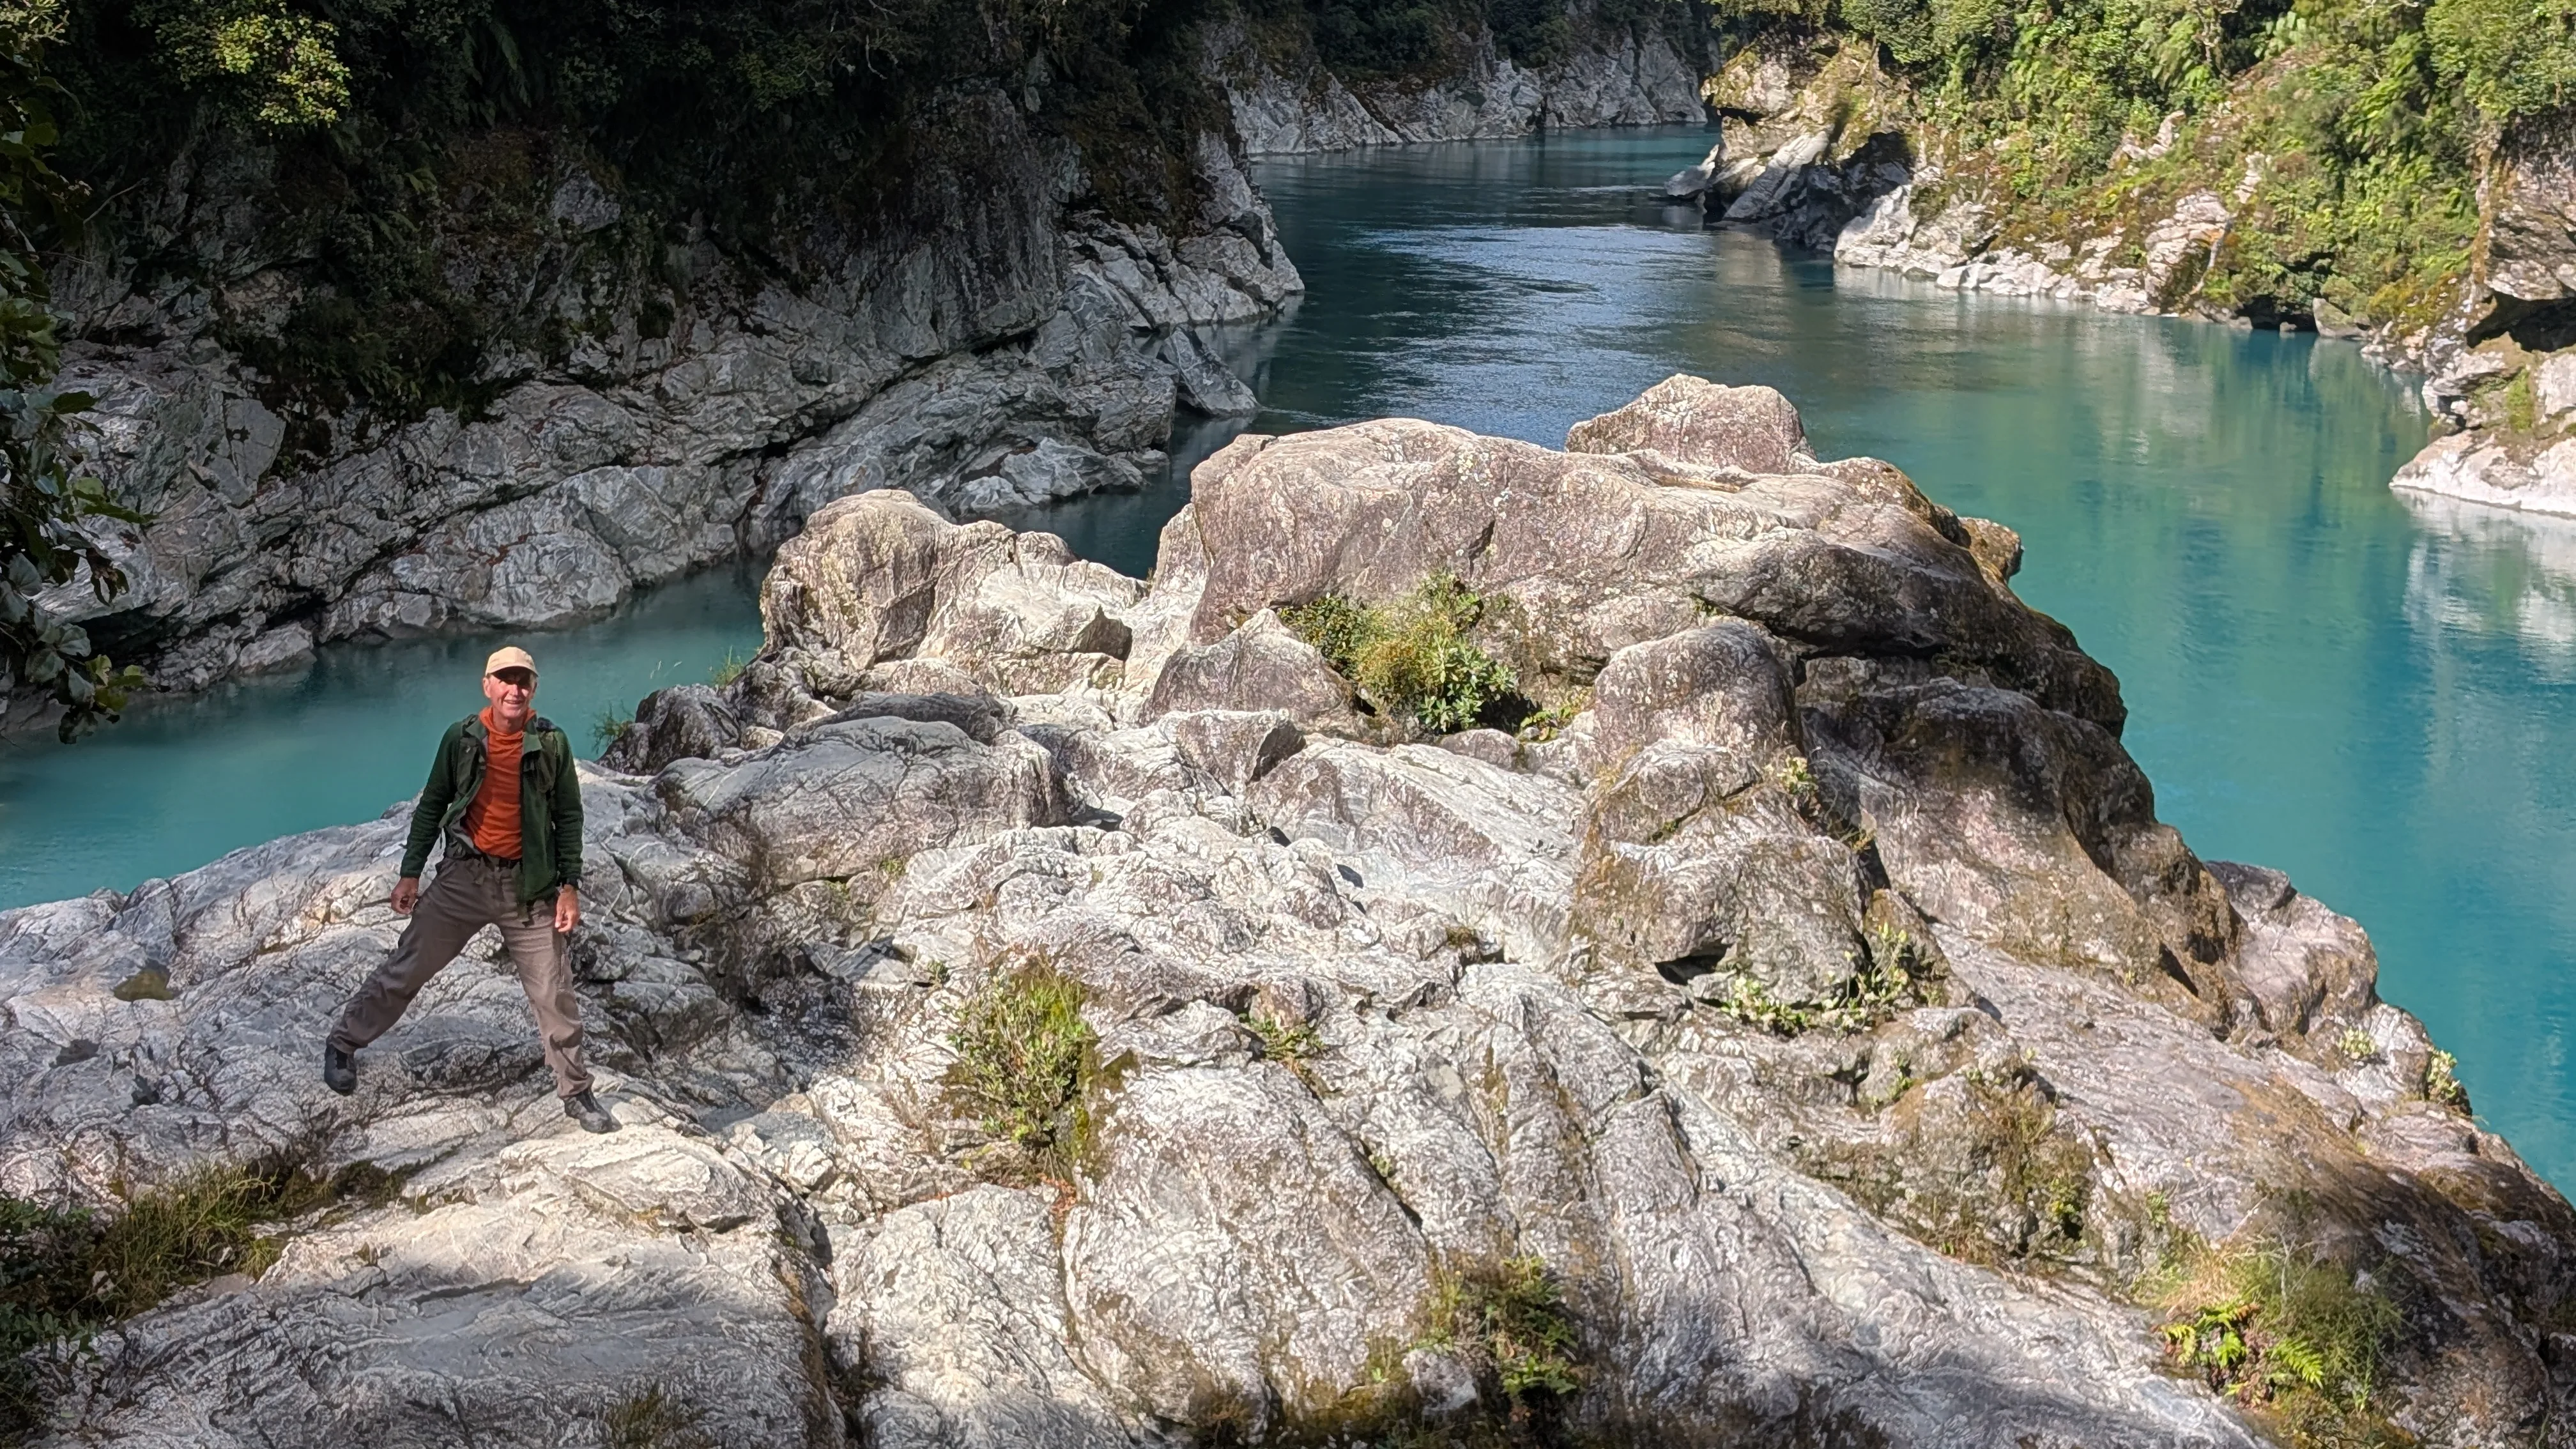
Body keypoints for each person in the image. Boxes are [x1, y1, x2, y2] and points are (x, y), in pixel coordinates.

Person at [321, 646, 617, 1133]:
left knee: (553, 992)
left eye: (523, 681)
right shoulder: (461, 739)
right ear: (488, 686)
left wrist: (569, 887)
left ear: (534, 689)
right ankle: (343, 1044)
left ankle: (577, 1093)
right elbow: (434, 801)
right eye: (505, 679)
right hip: (465, 878)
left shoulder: (552, 744)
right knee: (408, 966)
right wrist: (411, 871)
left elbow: (569, 817)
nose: (514, 689)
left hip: (530, 885)